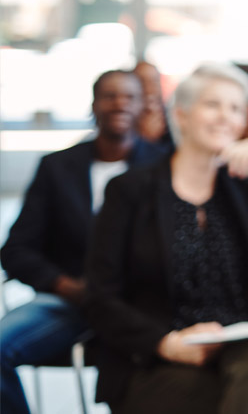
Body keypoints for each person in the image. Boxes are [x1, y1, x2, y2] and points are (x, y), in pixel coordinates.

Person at [84, 63, 248, 414]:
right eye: (214, 105)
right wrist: (164, 344)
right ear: (181, 115)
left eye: (236, 108)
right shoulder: (131, 190)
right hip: (157, 359)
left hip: (243, 355)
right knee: (226, 392)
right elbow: (99, 298)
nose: (226, 117)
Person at [0, 70, 165, 414]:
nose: (119, 104)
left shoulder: (165, 165)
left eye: (129, 97)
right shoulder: (57, 167)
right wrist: (65, 285)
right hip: (72, 300)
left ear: (143, 107)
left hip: (143, 305)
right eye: (109, 96)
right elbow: (16, 249)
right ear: (93, 105)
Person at [133, 60, 173, 147]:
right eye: (141, 82)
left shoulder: (174, 119)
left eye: (154, 82)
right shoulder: (125, 122)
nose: (148, 89)